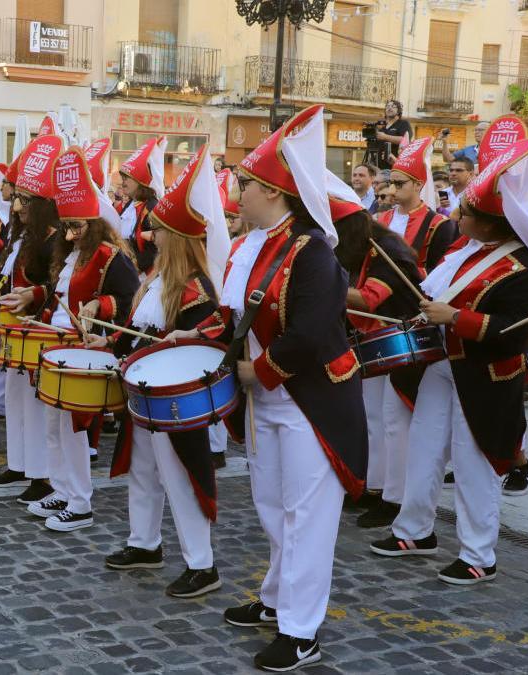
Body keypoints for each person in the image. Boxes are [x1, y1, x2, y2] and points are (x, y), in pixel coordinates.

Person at [169, 105, 367, 671]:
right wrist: (199, 331)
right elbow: (236, 315)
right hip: (268, 401)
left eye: (246, 183)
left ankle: (302, 633)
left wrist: (265, 371)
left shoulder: (313, 253)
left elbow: (310, 331)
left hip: (311, 402)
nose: (237, 191)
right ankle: (279, 599)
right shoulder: (260, 244)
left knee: (307, 516)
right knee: (273, 507)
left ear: (275, 193)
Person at [372, 139, 528, 587]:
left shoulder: (526, 268)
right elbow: (436, 295)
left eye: (466, 214)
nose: (456, 218)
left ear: (492, 224)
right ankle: (414, 531)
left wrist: (457, 318)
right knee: (423, 451)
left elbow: (514, 332)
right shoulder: (465, 251)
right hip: (442, 366)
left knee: (476, 465)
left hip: (485, 377)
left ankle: (479, 554)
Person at [98, 145, 229, 599]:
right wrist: (109, 342)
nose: (151, 237)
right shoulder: (155, 280)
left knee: (180, 477)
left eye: (159, 232)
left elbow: (207, 345)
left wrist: (179, 341)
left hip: (174, 399)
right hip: (145, 392)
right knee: (143, 470)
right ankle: (145, 542)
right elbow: (135, 331)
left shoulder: (197, 287)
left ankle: (202, 564)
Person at [3, 147, 139, 532]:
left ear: (94, 224)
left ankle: (80, 502)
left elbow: (130, 300)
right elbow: (57, 293)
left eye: (78, 227)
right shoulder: (67, 255)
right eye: (67, 226)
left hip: (81, 349)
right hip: (55, 345)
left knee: (75, 428)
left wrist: (101, 304)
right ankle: (61, 489)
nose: (70, 233)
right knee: (53, 424)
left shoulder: (111, 256)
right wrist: (36, 298)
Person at [332, 201, 424, 529]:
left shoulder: (388, 252)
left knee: (394, 424)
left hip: (405, 345)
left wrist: (322, 281)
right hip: (373, 342)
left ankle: (395, 499)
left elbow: (369, 299)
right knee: (371, 418)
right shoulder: (364, 251)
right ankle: (372, 487)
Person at [0, 134, 62, 506]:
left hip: (37, 331)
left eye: (23, 200)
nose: (15, 207)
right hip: (14, 328)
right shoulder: (24, 237)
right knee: (16, 399)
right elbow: (7, 276)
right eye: (16, 198)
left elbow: (54, 285)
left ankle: (41, 474)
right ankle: (18, 463)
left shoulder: (53, 240)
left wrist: (32, 297)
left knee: (35, 406)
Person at [377, 138, 458, 275]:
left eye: (399, 184)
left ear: (418, 185)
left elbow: (442, 271)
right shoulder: (382, 218)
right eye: (390, 183)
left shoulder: (438, 224)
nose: (391, 190)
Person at [117, 137, 165, 274]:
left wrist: (128, 269)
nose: (123, 183)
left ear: (139, 181)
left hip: (145, 275)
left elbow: (154, 250)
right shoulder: (130, 205)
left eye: (126, 178)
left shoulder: (152, 207)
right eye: (122, 178)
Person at [373, 99, 412, 168]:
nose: (389, 108)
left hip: (394, 167)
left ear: (399, 111)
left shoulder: (403, 123)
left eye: (393, 106)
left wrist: (385, 137)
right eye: (387, 106)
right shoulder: (383, 128)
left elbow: (405, 140)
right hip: (379, 168)